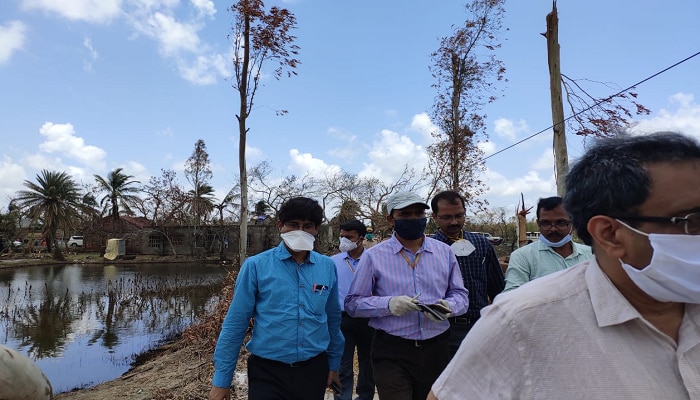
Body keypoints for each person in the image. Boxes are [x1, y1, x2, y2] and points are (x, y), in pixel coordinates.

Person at [428, 131, 700, 399]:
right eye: (692, 221)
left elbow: (492, 283)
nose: (553, 228)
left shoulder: (484, 245)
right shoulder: (519, 323)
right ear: (609, 234)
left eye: (561, 222)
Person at [209, 197, 344, 400]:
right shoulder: (256, 266)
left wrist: (333, 365)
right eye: (293, 224)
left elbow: (333, 320)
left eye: (307, 226)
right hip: (267, 372)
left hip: (313, 369)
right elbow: (235, 324)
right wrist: (221, 381)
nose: (300, 231)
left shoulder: (327, 267)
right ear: (280, 225)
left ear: (317, 229)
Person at [345, 191, 469, 400]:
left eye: (418, 213)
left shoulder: (444, 252)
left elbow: (460, 295)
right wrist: (388, 304)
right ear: (390, 219)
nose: (413, 219)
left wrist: (449, 306)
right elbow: (353, 303)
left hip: (437, 347)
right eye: (405, 214)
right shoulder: (374, 256)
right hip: (392, 349)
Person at [430, 190, 504, 357]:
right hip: (442, 329)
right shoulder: (429, 248)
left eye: (459, 215)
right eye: (447, 217)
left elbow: (498, 288)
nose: (454, 222)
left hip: (478, 326)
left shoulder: (481, 244)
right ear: (434, 216)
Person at [503, 196, 592, 291]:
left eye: (561, 222)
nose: (553, 229)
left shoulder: (591, 255)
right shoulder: (522, 257)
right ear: (538, 223)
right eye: (546, 223)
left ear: (573, 224)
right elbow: (512, 297)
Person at [331, 220, 375, 400]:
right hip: (342, 319)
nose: (344, 240)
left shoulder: (373, 259)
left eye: (349, 237)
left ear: (361, 239)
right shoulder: (332, 262)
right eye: (342, 236)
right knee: (342, 364)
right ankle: (342, 397)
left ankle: (365, 397)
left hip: (369, 319)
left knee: (368, 364)